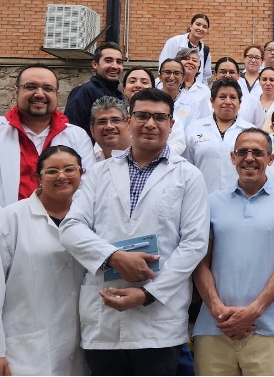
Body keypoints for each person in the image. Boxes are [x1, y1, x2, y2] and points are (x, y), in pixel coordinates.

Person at [0, 65, 94, 376]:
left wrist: (45, 235)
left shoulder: (76, 136)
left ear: (57, 95)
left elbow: (86, 192)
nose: (39, 94)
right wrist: (17, 233)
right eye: (31, 87)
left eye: (47, 88)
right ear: (16, 92)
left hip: (57, 248)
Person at [59, 88, 210, 376]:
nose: (150, 124)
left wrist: (147, 294)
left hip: (158, 323)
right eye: (142, 116)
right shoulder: (100, 173)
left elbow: (194, 244)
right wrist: (113, 257)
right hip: (103, 318)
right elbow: (70, 228)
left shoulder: (188, 176)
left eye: (159, 117)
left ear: (171, 124)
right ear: (129, 121)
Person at [0, 146, 88, 375]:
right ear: (38, 177)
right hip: (25, 352)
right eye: (52, 171)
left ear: (81, 173)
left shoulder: (91, 217)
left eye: (70, 169)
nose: (61, 176)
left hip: (82, 349)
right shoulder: (9, 220)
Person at [192, 128, 274, 376]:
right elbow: (200, 262)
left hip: (270, 329)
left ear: (270, 159)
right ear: (233, 157)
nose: (249, 158)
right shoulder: (211, 202)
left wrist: (253, 312)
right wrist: (218, 310)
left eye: (257, 152)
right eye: (243, 152)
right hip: (214, 327)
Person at [184, 79, 255, 193]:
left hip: (240, 197)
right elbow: (187, 167)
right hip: (202, 197)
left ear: (240, 102)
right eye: (222, 97)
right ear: (212, 101)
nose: (228, 102)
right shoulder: (194, 128)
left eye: (233, 97)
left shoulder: (251, 132)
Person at [64, 43, 124, 136]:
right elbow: (70, 129)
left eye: (119, 62)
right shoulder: (84, 91)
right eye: (108, 61)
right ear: (95, 64)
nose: (115, 66)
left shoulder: (118, 94)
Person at [158, 13, 212, 84]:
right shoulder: (174, 42)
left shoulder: (205, 51)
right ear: (191, 26)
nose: (201, 28)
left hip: (195, 89)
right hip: (173, 86)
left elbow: (205, 76)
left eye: (204, 27)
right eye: (198, 24)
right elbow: (163, 67)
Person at [213, 56, 265, 127]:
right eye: (223, 72)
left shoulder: (252, 101)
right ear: (215, 74)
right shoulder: (206, 98)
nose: (227, 75)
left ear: (238, 75)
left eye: (232, 72)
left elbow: (259, 128)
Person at [173, 48, 211, 124]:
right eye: (186, 59)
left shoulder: (204, 90)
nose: (190, 62)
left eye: (194, 60)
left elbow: (206, 116)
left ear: (198, 68)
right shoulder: (168, 86)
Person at [90, 96, 130, 161]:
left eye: (116, 120)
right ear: (92, 130)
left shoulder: (145, 157)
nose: (109, 126)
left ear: (129, 123)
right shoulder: (89, 163)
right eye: (102, 122)